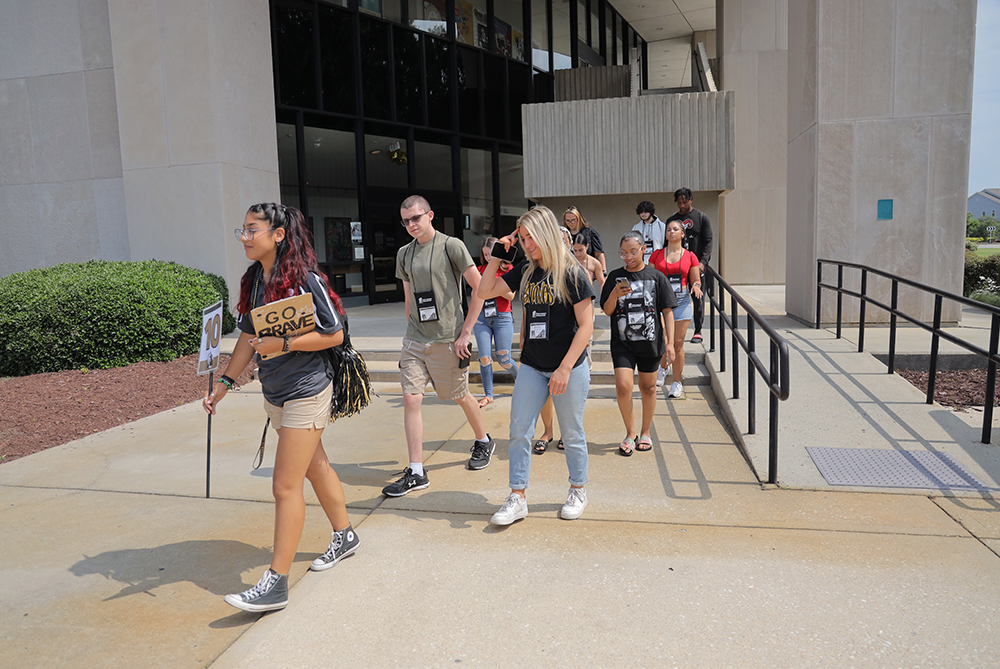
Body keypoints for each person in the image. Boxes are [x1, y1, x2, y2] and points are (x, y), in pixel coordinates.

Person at [205, 203, 359, 613]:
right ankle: (346, 535)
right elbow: (246, 338)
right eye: (242, 229)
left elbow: (335, 334)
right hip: (275, 391)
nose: (243, 236)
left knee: (284, 485)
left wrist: (284, 345)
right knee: (315, 466)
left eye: (251, 229)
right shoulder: (255, 279)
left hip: (308, 389)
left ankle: (276, 583)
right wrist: (223, 383)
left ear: (277, 234)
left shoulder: (306, 279)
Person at [479, 206, 594, 524]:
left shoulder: (571, 272)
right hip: (532, 364)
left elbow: (586, 326)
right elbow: (483, 290)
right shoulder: (525, 271)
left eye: (532, 238)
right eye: (523, 239)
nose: (527, 245)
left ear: (545, 233)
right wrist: (497, 255)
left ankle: (577, 489)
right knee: (519, 431)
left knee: (571, 433)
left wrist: (565, 368)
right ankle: (518, 497)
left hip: (567, 366)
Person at [385, 195, 496, 496]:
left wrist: (466, 332)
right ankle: (417, 471)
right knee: (411, 399)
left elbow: (481, 289)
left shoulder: (452, 246)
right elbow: (409, 299)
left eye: (416, 218)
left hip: (449, 338)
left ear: (430, 215)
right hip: (415, 340)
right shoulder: (404, 254)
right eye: (406, 220)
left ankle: (484, 440)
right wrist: (409, 334)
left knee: (459, 395)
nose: (411, 225)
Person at [601, 231, 676, 455]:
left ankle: (646, 432)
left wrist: (670, 343)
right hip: (623, 342)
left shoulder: (657, 277)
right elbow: (607, 310)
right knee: (623, 386)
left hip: (650, 341)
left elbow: (668, 312)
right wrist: (614, 293)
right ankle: (630, 433)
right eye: (623, 253)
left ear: (644, 249)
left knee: (648, 387)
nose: (628, 256)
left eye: (633, 251)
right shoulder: (614, 276)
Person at [650, 220, 702, 399]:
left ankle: (676, 382)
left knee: (678, 343)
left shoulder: (690, 256)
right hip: (662, 302)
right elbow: (650, 279)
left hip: (681, 301)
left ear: (682, 234)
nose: (671, 232)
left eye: (675, 229)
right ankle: (664, 366)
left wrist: (696, 286)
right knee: (666, 340)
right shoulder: (656, 255)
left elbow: (695, 278)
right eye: (669, 229)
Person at [473, 237, 518, 407]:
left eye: (491, 254)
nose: (488, 258)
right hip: (482, 318)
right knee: (484, 358)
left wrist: (491, 285)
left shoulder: (508, 269)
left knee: (504, 359)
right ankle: (488, 395)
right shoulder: (479, 270)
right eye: (485, 255)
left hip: (502, 317)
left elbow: (511, 295)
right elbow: (476, 294)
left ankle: (520, 382)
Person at [665, 188, 713, 343]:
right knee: (673, 298)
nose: (682, 205)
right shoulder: (672, 220)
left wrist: (703, 262)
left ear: (691, 200)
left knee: (698, 297)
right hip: (677, 266)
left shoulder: (701, 217)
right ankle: (671, 330)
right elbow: (666, 243)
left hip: (696, 265)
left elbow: (708, 242)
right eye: (679, 202)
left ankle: (698, 330)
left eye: (685, 202)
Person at [563, 206, 606, 272]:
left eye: (573, 220)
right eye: (567, 221)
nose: (570, 223)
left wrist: (603, 271)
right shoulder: (563, 233)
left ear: (579, 219)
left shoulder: (589, 232)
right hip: (568, 270)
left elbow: (599, 254)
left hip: (587, 269)